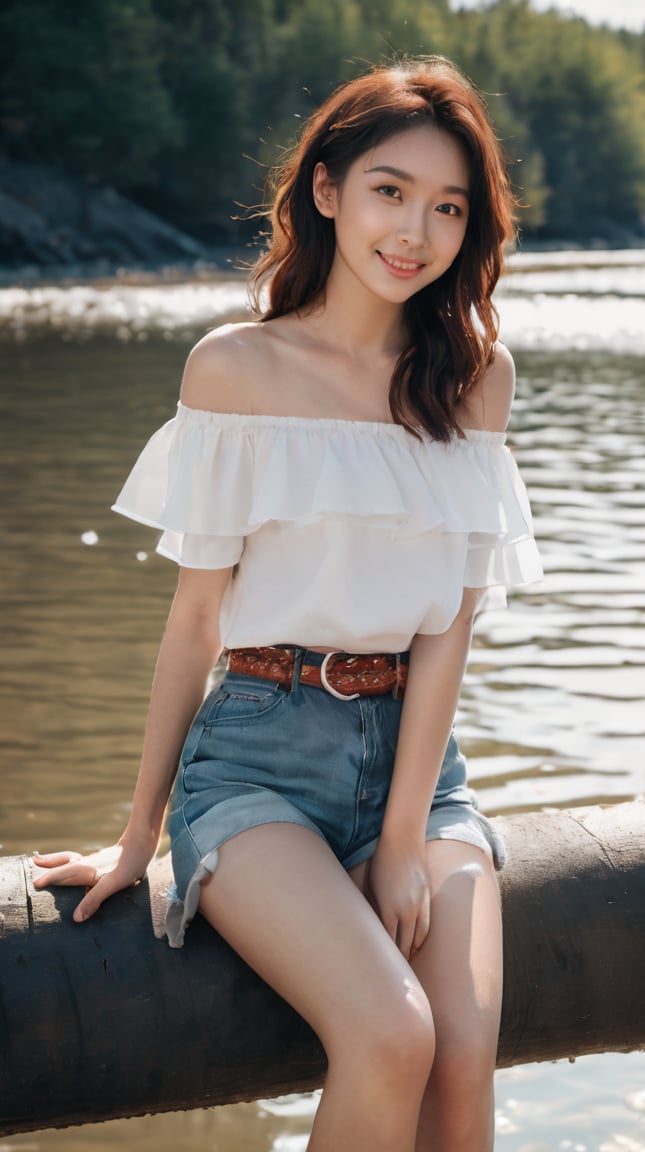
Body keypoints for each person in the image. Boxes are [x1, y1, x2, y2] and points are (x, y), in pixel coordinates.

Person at [32, 55, 542, 1152]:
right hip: (260, 761)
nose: (415, 231)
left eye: (448, 207)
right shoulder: (237, 370)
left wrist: (404, 834)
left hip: (419, 766)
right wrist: (138, 834)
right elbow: (194, 623)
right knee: (391, 1036)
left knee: (460, 1054)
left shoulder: (476, 379)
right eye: (389, 192)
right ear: (327, 191)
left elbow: (449, 626)